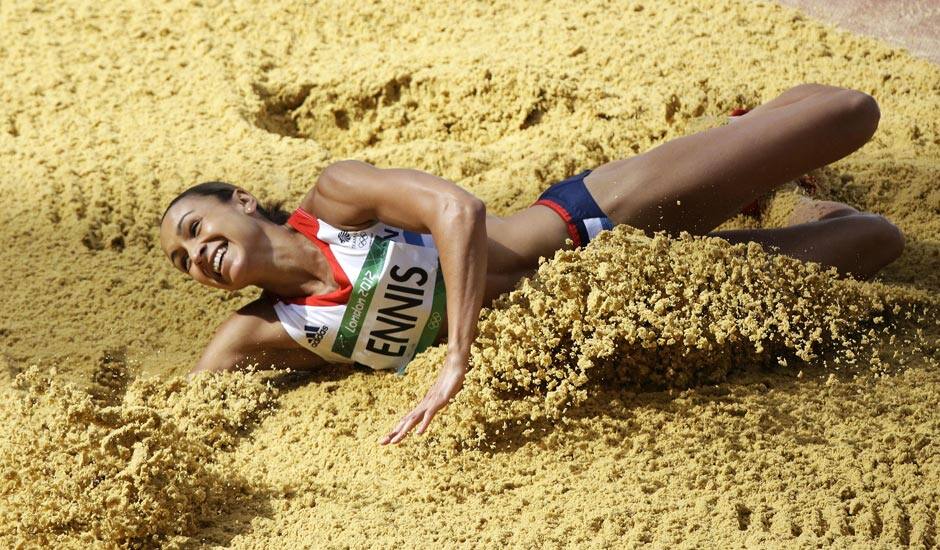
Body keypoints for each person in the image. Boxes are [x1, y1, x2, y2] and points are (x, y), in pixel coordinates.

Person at [160, 83, 905, 445]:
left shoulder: (337, 197)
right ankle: (805, 208)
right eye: (184, 260)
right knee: (876, 239)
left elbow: (461, 212)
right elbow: (185, 420)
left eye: (196, 228)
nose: (197, 253)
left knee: (848, 114)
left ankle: (755, 134)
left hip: (594, 223)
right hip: (637, 307)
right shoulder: (263, 332)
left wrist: (456, 358)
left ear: (242, 200)